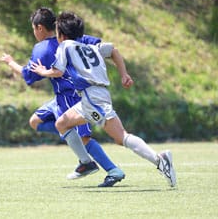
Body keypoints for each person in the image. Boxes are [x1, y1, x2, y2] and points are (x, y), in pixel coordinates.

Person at [30, 11, 176, 187]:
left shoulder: (65, 46)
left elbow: (58, 71)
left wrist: (42, 71)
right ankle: (86, 162)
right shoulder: (92, 47)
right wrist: (124, 74)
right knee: (62, 123)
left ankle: (160, 161)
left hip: (93, 99)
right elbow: (114, 50)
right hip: (95, 96)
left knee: (121, 137)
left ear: (61, 34)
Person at [0, 7, 125, 187]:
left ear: (40, 28)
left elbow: (29, 75)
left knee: (83, 139)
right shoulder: (78, 38)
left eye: (33, 29)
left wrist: (11, 62)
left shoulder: (41, 48)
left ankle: (112, 170)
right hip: (59, 98)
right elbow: (101, 48)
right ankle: (70, 136)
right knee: (36, 121)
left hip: (73, 95)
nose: (34, 32)